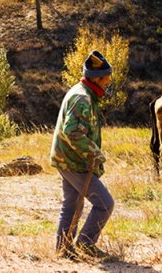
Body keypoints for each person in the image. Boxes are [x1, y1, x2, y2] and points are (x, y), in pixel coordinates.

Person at [50, 50, 116, 259]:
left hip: (68, 160)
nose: (108, 81)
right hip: (74, 162)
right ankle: (86, 244)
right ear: (96, 78)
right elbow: (72, 132)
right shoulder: (82, 98)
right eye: (107, 77)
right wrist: (94, 153)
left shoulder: (84, 93)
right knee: (105, 204)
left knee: (71, 206)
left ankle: (63, 249)